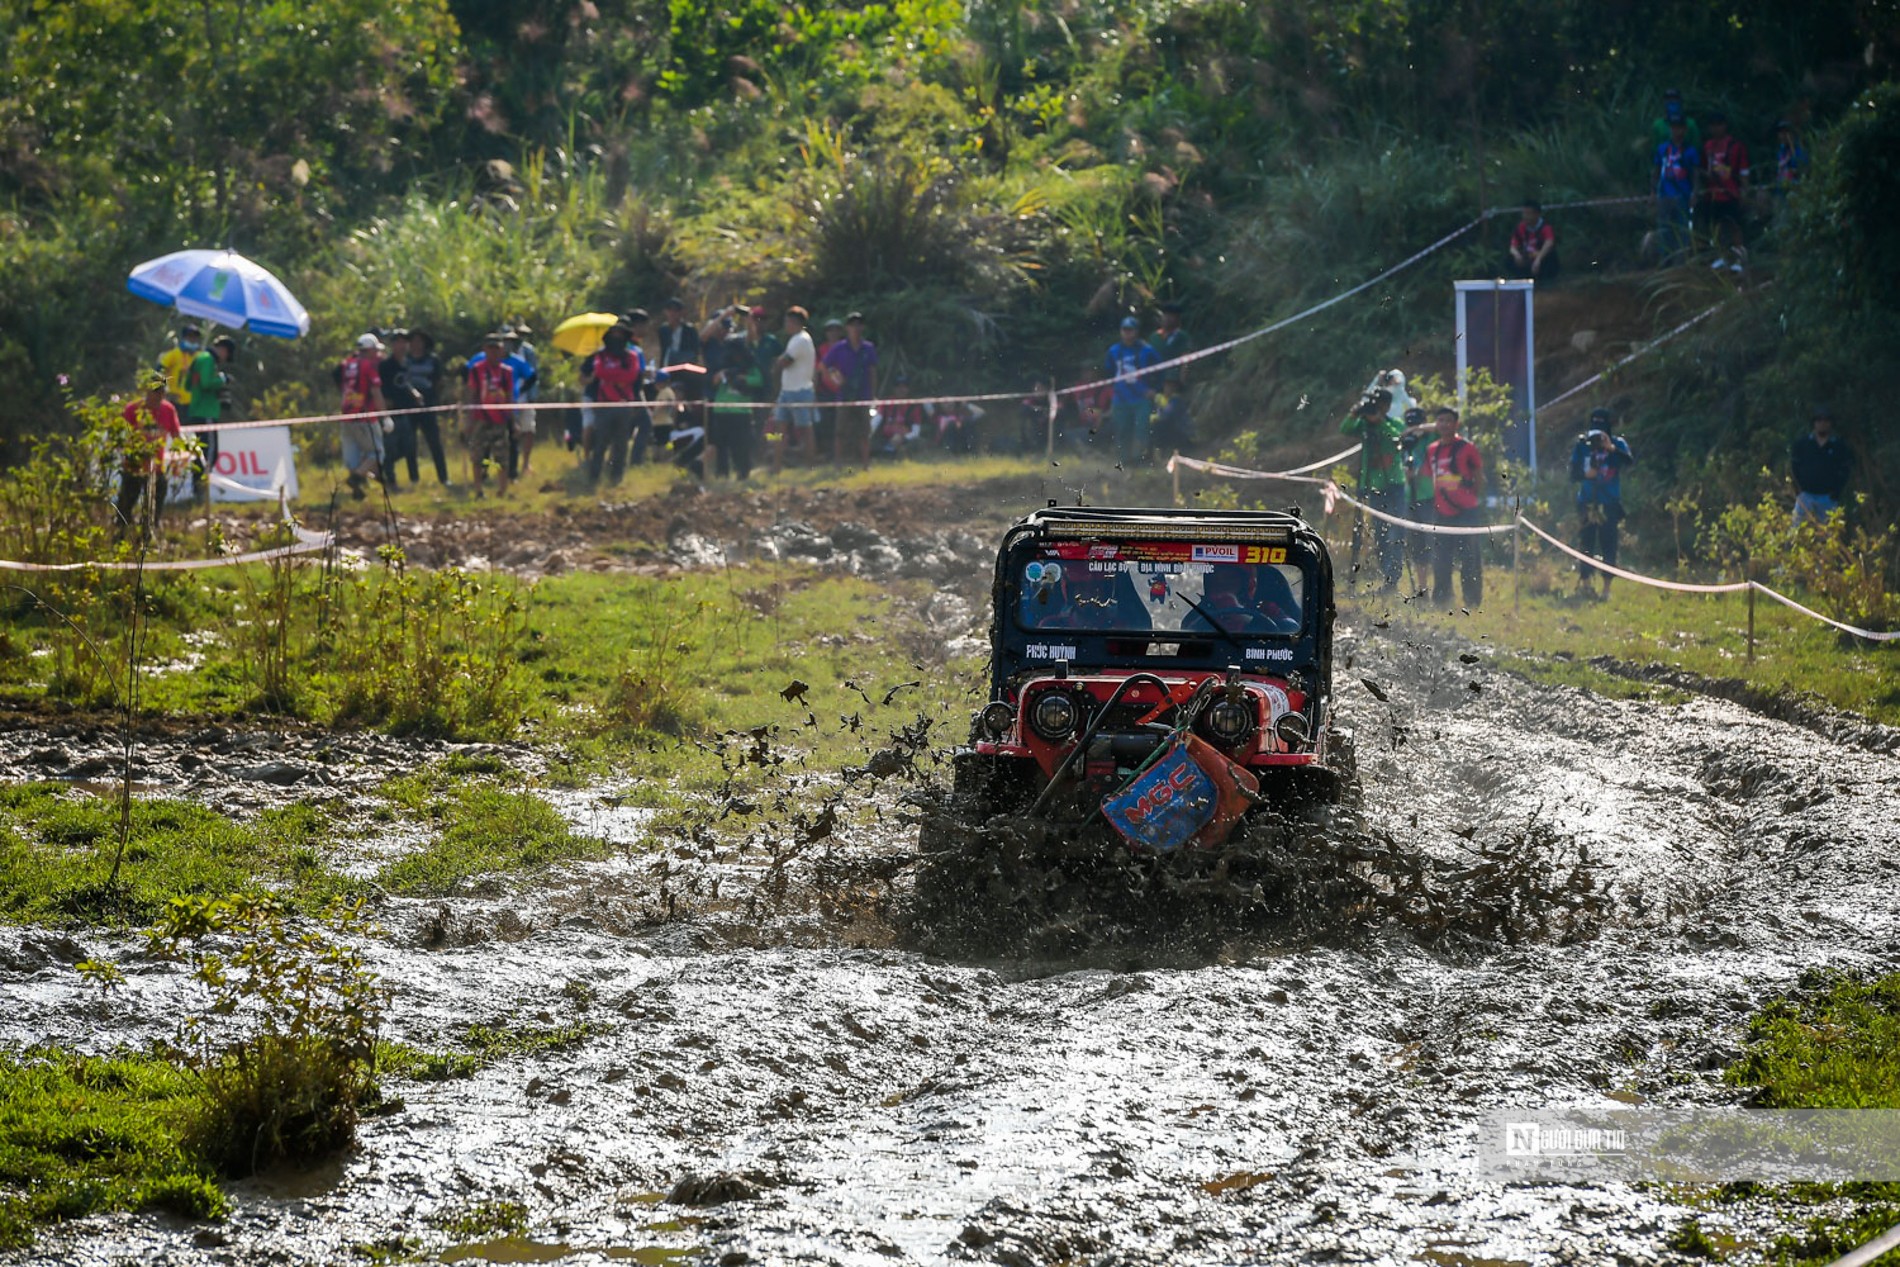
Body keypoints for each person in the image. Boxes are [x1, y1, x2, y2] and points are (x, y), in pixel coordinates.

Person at [1339, 387, 1406, 591]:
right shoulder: (1364, 425)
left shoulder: (1394, 423)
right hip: (1374, 485)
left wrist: (1380, 422)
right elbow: (1345, 428)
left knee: (1396, 532)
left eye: (1379, 405)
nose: (1375, 409)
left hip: (1395, 484)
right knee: (1381, 534)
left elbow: (1396, 437)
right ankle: (1387, 576)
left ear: (1386, 406)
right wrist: (1355, 413)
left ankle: (1393, 578)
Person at [1569, 414, 1636, 599]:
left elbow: (1629, 462)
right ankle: (1586, 584)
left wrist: (1611, 448)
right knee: (1586, 543)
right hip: (1587, 501)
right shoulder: (1582, 445)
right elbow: (1573, 475)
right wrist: (1586, 475)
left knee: (1609, 545)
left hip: (1609, 503)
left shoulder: (1618, 444)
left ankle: (1606, 589)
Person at [1423, 407, 1484, 608]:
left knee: (1470, 559)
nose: (1444, 424)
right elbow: (1428, 476)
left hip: (1467, 513)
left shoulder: (1467, 447)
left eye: (1448, 421)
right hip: (1441, 512)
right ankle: (1441, 600)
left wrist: (1472, 499)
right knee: (1441, 559)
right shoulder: (1432, 449)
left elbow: (1479, 476)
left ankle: (1472, 602)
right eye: (1440, 420)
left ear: (1456, 424)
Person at [116, 376, 183, 537]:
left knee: (158, 495)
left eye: (161, 392)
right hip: (134, 466)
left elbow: (176, 436)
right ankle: (121, 532)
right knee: (126, 503)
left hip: (156, 467)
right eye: (155, 392)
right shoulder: (132, 409)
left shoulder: (168, 410)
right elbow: (120, 437)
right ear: (147, 391)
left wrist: (179, 455)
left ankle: (148, 532)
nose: (158, 396)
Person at [582, 323, 646, 488]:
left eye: (620, 335)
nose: (616, 338)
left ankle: (616, 477)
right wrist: (618, 376)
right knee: (601, 442)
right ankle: (594, 476)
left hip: (624, 404)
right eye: (614, 335)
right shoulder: (601, 356)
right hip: (604, 404)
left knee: (621, 443)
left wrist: (613, 376)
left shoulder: (631, 356)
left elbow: (632, 375)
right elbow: (600, 372)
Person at [463, 332, 517, 498]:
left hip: (500, 419)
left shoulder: (506, 372)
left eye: (497, 349)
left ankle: (502, 489)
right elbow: (472, 394)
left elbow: (509, 396)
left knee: (502, 456)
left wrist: (513, 421)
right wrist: (469, 421)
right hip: (481, 418)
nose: (493, 352)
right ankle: (479, 490)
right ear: (485, 350)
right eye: (490, 348)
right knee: (477, 455)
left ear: (501, 350)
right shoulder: (477, 370)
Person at [182, 334, 235, 498]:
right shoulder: (208, 360)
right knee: (210, 454)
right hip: (206, 413)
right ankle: (200, 492)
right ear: (224, 350)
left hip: (196, 410)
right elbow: (205, 383)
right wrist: (222, 379)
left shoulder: (199, 358)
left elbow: (188, 384)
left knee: (201, 454)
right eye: (227, 354)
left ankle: (198, 491)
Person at [1104, 315, 1161, 466]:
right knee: (1122, 429)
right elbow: (1109, 372)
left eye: (1131, 330)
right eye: (1125, 329)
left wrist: (1154, 389)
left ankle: (1140, 459)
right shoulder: (1114, 351)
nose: (1127, 333)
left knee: (1142, 429)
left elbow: (1160, 370)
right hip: (1121, 398)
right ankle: (1124, 460)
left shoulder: (1147, 350)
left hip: (1141, 397)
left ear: (1136, 331)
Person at [824, 311, 878, 466]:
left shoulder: (868, 348)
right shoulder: (839, 348)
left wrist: (873, 394)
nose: (856, 328)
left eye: (859, 324)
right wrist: (834, 379)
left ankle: (866, 464)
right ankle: (838, 463)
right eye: (852, 324)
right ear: (847, 327)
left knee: (864, 432)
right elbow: (825, 366)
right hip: (844, 395)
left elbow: (873, 372)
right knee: (840, 432)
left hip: (863, 394)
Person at [335, 332, 386, 499]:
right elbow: (376, 392)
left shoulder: (346, 364)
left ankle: (357, 493)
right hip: (364, 417)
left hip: (346, 416)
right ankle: (356, 479)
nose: (377, 354)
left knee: (353, 457)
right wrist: (384, 416)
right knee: (376, 453)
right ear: (369, 350)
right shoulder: (368, 366)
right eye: (375, 351)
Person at [1701, 111, 1750, 273]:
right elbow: (1703, 169)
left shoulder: (1735, 146)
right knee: (1717, 228)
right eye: (1713, 125)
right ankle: (1721, 257)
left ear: (1725, 126)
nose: (1716, 129)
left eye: (1719, 124)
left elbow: (1743, 172)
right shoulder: (1707, 146)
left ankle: (1738, 259)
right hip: (1713, 194)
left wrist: (1744, 192)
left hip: (1730, 193)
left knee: (1734, 226)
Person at [772, 306, 819, 474]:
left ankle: (810, 466)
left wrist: (777, 363)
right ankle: (776, 467)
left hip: (800, 391)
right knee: (779, 428)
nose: (785, 324)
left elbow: (784, 362)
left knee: (805, 430)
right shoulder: (794, 339)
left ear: (794, 322)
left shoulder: (801, 339)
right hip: (787, 391)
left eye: (787, 321)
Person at [403, 330, 452, 486]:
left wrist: (433, 398)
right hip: (408, 406)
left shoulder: (433, 360)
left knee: (434, 442)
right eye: (413, 341)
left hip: (428, 405)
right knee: (410, 443)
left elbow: (439, 382)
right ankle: (413, 478)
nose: (416, 344)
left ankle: (444, 478)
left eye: (419, 341)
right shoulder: (405, 361)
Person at [1791, 405, 1853, 527]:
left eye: (1826, 420)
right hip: (1806, 495)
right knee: (1795, 532)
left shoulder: (1838, 446)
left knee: (1829, 535)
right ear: (1814, 423)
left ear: (1830, 423)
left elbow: (1845, 470)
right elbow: (1794, 467)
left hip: (1827, 498)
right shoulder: (1803, 444)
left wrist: (1836, 492)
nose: (1822, 423)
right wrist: (1797, 489)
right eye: (1819, 420)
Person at [377, 330, 421, 490]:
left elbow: (406, 383)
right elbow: (378, 387)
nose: (402, 346)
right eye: (399, 342)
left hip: (406, 411)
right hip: (391, 412)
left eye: (405, 342)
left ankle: (380, 468)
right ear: (393, 345)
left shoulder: (407, 364)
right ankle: (390, 480)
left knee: (408, 447)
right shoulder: (385, 365)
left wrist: (414, 394)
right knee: (390, 447)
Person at [1653, 116, 1700, 266]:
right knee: (1664, 229)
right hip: (1664, 194)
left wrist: (1695, 192)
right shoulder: (1663, 148)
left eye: (1679, 127)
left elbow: (1695, 174)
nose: (1676, 130)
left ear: (1685, 130)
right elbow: (1656, 170)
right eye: (1673, 127)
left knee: (1683, 229)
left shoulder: (1690, 150)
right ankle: (1665, 260)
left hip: (1683, 194)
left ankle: (1682, 262)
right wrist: (1653, 192)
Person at [1398, 406, 1435, 588]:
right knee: (1417, 545)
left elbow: (1440, 427)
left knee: (1433, 542)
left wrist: (1418, 430)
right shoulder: (1404, 444)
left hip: (1429, 496)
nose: (1412, 428)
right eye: (1410, 424)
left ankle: (1439, 588)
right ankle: (1422, 588)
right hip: (1410, 498)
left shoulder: (1430, 438)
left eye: (1416, 424)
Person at [1150, 303, 1193, 454]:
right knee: (1157, 415)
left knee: (1175, 413)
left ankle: (1183, 445)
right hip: (1156, 383)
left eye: (1171, 315)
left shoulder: (1181, 337)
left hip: (1174, 383)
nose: (1167, 318)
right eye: (1165, 315)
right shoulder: (1155, 337)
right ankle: (1159, 446)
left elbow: (1185, 358)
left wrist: (1183, 377)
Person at [503, 324, 541, 477]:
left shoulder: (528, 352)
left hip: (525, 398)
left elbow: (533, 375)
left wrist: (526, 393)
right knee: (512, 433)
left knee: (529, 429)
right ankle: (510, 467)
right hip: (507, 401)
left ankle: (525, 462)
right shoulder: (502, 355)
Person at [707, 359, 755, 481]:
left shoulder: (751, 368)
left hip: (740, 413)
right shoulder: (723, 370)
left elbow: (757, 383)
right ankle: (722, 473)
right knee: (721, 445)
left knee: (740, 445)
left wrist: (741, 379)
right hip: (721, 412)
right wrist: (725, 374)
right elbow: (714, 381)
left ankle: (743, 473)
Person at [1507, 200, 1558, 281]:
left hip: (1541, 257)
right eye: (1524, 213)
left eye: (1528, 214)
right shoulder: (1521, 227)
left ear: (1536, 214)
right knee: (1510, 259)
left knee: (1550, 257)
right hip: (1527, 257)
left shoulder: (1545, 227)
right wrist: (1517, 255)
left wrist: (1538, 259)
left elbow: (1549, 243)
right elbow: (1513, 247)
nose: (1525, 216)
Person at [156, 325, 202, 414]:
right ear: (184, 338)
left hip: (194, 403)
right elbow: (159, 370)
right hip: (176, 401)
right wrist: (163, 391)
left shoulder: (200, 356)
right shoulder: (175, 354)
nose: (192, 339)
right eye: (190, 336)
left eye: (195, 337)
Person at [1772, 119, 1808, 203]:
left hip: (1795, 190)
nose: (1782, 136)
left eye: (1785, 133)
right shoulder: (1781, 150)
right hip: (1781, 191)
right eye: (1781, 133)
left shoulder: (1799, 150)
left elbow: (1803, 170)